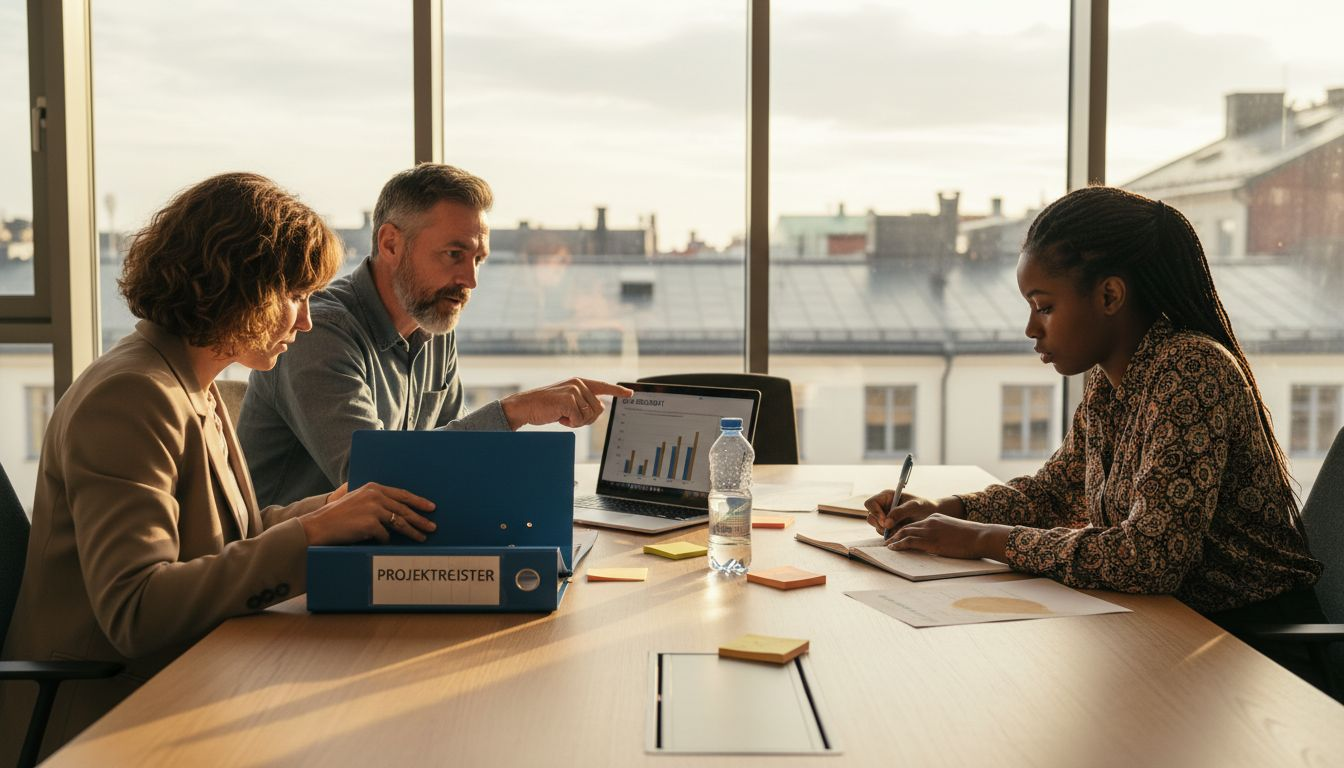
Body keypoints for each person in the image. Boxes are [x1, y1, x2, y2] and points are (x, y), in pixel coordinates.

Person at [0, 173, 437, 762]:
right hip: (104, 718)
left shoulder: (189, 381)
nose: (305, 322)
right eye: (295, 296)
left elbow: (224, 537)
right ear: (237, 285)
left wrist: (324, 510)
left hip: (182, 683)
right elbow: (136, 609)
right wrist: (309, 537)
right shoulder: (131, 395)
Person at [866, 186, 1323, 625]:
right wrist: (949, 510)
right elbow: (1053, 495)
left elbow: (1149, 560)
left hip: (1254, 643)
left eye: (1043, 306)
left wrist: (983, 538)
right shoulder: (1110, 382)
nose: (1030, 328)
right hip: (1168, 623)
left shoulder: (1192, 371)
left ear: (1109, 296)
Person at [238, 163, 632, 507]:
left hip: (394, 554)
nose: (470, 280)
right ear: (390, 243)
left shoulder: (433, 324)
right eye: (453, 255)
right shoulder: (317, 331)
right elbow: (371, 479)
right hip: (299, 574)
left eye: (478, 259)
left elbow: (452, 461)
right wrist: (513, 411)